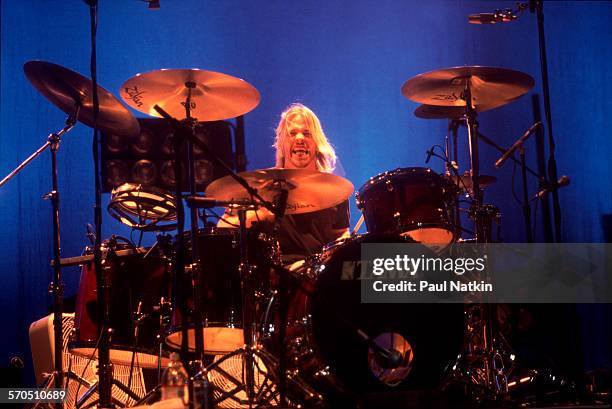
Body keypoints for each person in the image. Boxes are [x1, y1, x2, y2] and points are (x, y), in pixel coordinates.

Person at [219, 103, 350, 262]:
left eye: (307, 133)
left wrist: (335, 254)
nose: (300, 138)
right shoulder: (262, 185)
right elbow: (224, 227)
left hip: (320, 275)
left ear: (317, 143)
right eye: (292, 133)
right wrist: (264, 213)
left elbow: (341, 234)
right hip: (278, 274)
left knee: (372, 265)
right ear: (281, 143)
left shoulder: (335, 188)